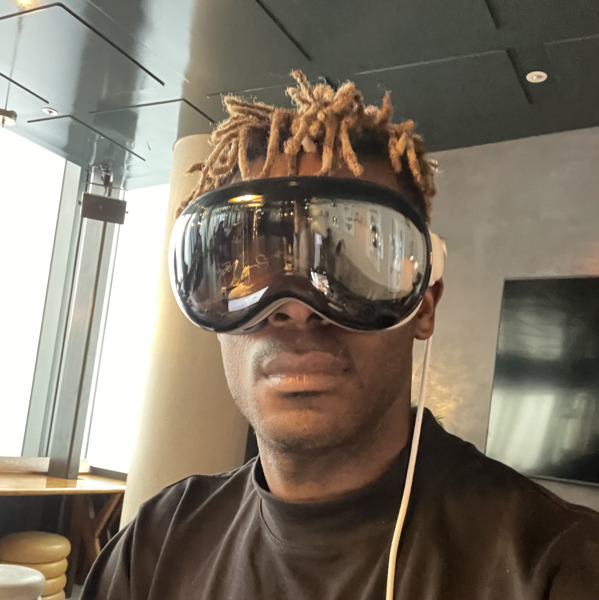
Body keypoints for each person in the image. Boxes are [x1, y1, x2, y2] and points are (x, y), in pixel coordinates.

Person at [82, 72, 599, 600]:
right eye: (250, 268)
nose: (295, 310)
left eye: (351, 267)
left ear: (423, 304)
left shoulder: (558, 568)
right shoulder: (156, 546)